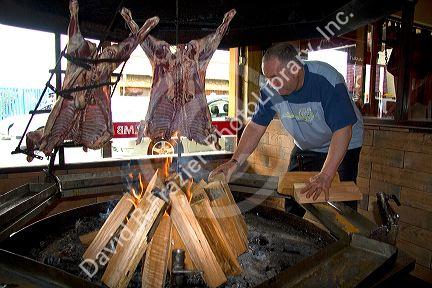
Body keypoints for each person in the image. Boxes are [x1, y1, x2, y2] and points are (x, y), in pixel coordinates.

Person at [209, 43, 363, 208]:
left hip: (344, 143)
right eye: (267, 78)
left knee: (341, 202)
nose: (271, 84)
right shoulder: (271, 91)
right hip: (306, 147)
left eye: (275, 78)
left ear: (296, 69)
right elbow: (255, 127)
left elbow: (343, 130)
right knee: (292, 199)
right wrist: (234, 163)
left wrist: (326, 174)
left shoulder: (327, 80)